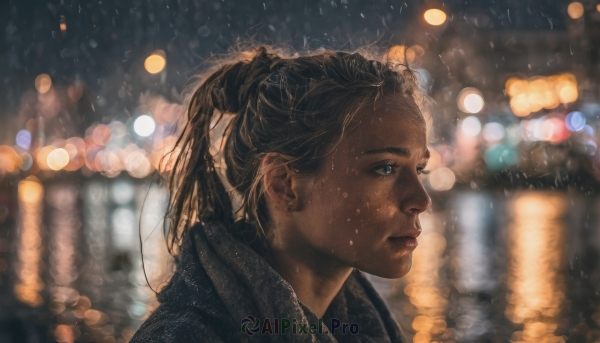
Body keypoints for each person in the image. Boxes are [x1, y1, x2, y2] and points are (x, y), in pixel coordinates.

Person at [131, 46, 432, 343]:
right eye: (386, 168)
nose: (421, 200)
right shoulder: (182, 337)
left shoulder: (364, 327)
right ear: (283, 184)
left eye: (420, 169)